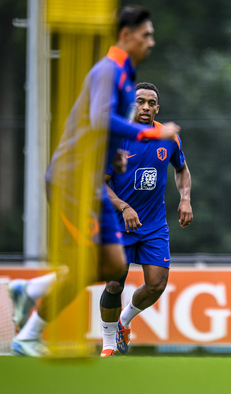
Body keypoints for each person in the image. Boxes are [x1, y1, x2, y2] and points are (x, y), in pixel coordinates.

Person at [11, 5, 180, 357]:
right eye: (146, 34)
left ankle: (30, 296)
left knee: (112, 266)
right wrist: (148, 137)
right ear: (126, 36)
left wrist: (113, 158)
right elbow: (100, 119)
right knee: (100, 265)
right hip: (71, 179)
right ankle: (29, 326)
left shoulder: (123, 76)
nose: (151, 41)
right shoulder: (110, 71)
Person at [99, 82, 192, 357]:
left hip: (153, 225)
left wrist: (185, 198)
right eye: (141, 102)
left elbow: (182, 169)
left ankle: (123, 323)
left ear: (157, 108)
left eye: (151, 103)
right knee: (115, 283)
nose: (146, 107)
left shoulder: (168, 137)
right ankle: (107, 346)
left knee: (157, 285)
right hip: (118, 223)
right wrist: (124, 207)